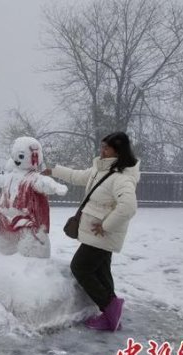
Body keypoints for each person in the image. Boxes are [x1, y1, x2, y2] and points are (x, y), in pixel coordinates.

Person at [42, 131, 139, 332]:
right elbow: (77, 176)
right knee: (101, 270)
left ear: (118, 151)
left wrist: (106, 225)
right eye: (101, 146)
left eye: (106, 148)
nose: (101, 150)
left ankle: (110, 307)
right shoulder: (100, 169)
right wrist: (54, 171)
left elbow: (128, 206)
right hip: (97, 235)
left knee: (80, 267)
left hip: (101, 234)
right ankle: (111, 311)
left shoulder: (121, 177)